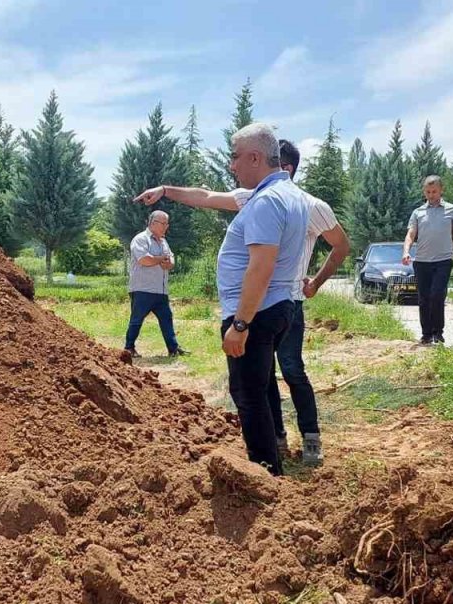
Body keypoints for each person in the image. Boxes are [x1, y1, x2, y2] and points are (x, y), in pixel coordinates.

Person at [133, 140, 349, 467]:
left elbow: (338, 246)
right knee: (263, 378)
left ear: (283, 168)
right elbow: (206, 197)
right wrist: (165, 190)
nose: (233, 166)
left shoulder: (307, 205)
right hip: (265, 304)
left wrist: (315, 283)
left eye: (237, 158)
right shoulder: (255, 197)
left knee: (290, 371)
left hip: (279, 303)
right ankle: (274, 439)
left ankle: (307, 442)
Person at [209, 122, 308, 475]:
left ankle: (265, 476)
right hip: (278, 307)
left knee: (249, 396)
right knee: (260, 390)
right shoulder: (292, 195)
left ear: (254, 157)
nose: (232, 165)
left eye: (235, 157)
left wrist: (240, 324)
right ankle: (270, 467)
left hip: (257, 312)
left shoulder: (266, 201)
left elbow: (261, 267)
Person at [402, 176, 453, 344]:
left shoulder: (451, 210)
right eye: (428, 192)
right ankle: (426, 334)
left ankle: (438, 333)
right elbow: (411, 234)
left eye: (434, 191)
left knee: (437, 294)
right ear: (424, 192)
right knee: (424, 298)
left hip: (443, 261)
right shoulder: (418, 212)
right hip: (422, 262)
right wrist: (406, 252)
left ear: (441, 190)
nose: (431, 195)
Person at [125, 210, 188, 358]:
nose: (166, 227)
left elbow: (171, 259)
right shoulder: (140, 239)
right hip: (142, 289)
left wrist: (168, 263)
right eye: (163, 223)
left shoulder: (164, 242)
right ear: (153, 223)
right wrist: (161, 259)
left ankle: (173, 349)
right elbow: (144, 260)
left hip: (161, 290)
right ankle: (129, 348)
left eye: (167, 224)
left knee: (167, 319)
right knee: (137, 320)